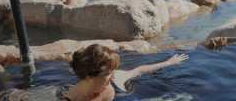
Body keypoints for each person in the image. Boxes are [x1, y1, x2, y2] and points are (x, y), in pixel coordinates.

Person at [60, 44, 188, 101]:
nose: (113, 76)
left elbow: (139, 70)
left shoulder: (114, 80)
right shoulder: (72, 97)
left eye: (112, 71)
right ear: (88, 76)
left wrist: (168, 63)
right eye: (107, 74)